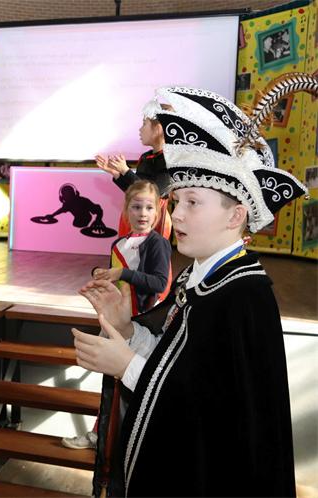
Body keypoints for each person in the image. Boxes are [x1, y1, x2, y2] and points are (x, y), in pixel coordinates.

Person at [72, 85, 305, 497]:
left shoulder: (244, 297)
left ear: (235, 215)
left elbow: (212, 413)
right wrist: (128, 330)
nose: (175, 214)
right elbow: (177, 360)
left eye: (192, 203)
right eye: (176, 201)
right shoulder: (195, 279)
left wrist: (127, 365)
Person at [62, 180, 171, 451]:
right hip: (118, 323)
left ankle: (122, 442)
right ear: (126, 210)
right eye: (136, 207)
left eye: (149, 207)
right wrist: (101, 275)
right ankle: (102, 437)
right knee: (111, 387)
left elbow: (159, 283)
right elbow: (118, 279)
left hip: (140, 328)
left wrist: (122, 273)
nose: (143, 213)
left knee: (130, 389)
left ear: (157, 212)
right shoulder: (119, 243)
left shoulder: (157, 243)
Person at [95, 99, 173, 239]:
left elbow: (154, 192)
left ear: (158, 128)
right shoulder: (145, 157)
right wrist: (117, 174)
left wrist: (126, 171)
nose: (140, 129)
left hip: (153, 220)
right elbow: (135, 190)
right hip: (134, 214)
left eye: (144, 124)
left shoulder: (170, 160)